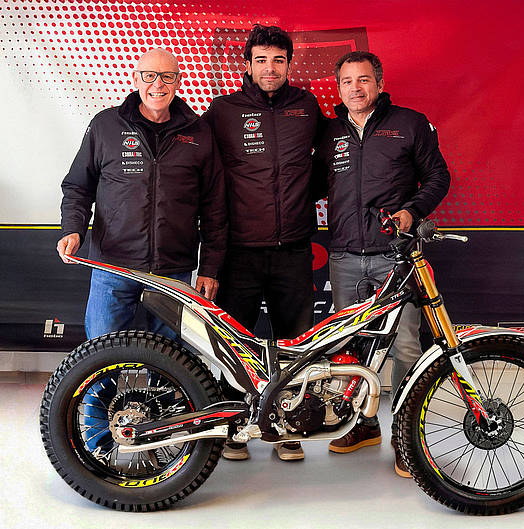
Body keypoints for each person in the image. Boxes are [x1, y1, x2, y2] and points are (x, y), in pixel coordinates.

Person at [57, 48, 227, 452]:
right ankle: (97, 441)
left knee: (169, 361)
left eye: (166, 77)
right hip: (113, 267)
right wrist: (73, 229)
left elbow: (215, 208)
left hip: (172, 272)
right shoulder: (106, 125)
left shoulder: (199, 132)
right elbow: (78, 187)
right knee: (100, 357)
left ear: (179, 81)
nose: (157, 85)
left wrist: (210, 267)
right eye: (149, 75)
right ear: (136, 79)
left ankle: (160, 438)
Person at [314, 51, 451, 476]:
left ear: (379, 83)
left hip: (397, 256)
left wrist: (412, 210)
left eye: (363, 80)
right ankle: (363, 425)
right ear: (338, 88)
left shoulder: (410, 124)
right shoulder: (329, 132)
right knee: (350, 348)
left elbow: (439, 177)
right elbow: (311, 184)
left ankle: (405, 434)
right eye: (347, 81)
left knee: (406, 346)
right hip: (344, 256)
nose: (355, 88)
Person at [203, 25, 325, 462]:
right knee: (236, 346)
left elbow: (331, 161)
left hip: (294, 250)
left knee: (295, 343)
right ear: (248, 64)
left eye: (278, 60)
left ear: (289, 64)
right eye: (261, 60)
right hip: (240, 252)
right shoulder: (223, 111)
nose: (269, 68)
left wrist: (302, 198)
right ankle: (235, 426)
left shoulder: (306, 106)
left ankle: (287, 427)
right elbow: (202, 172)